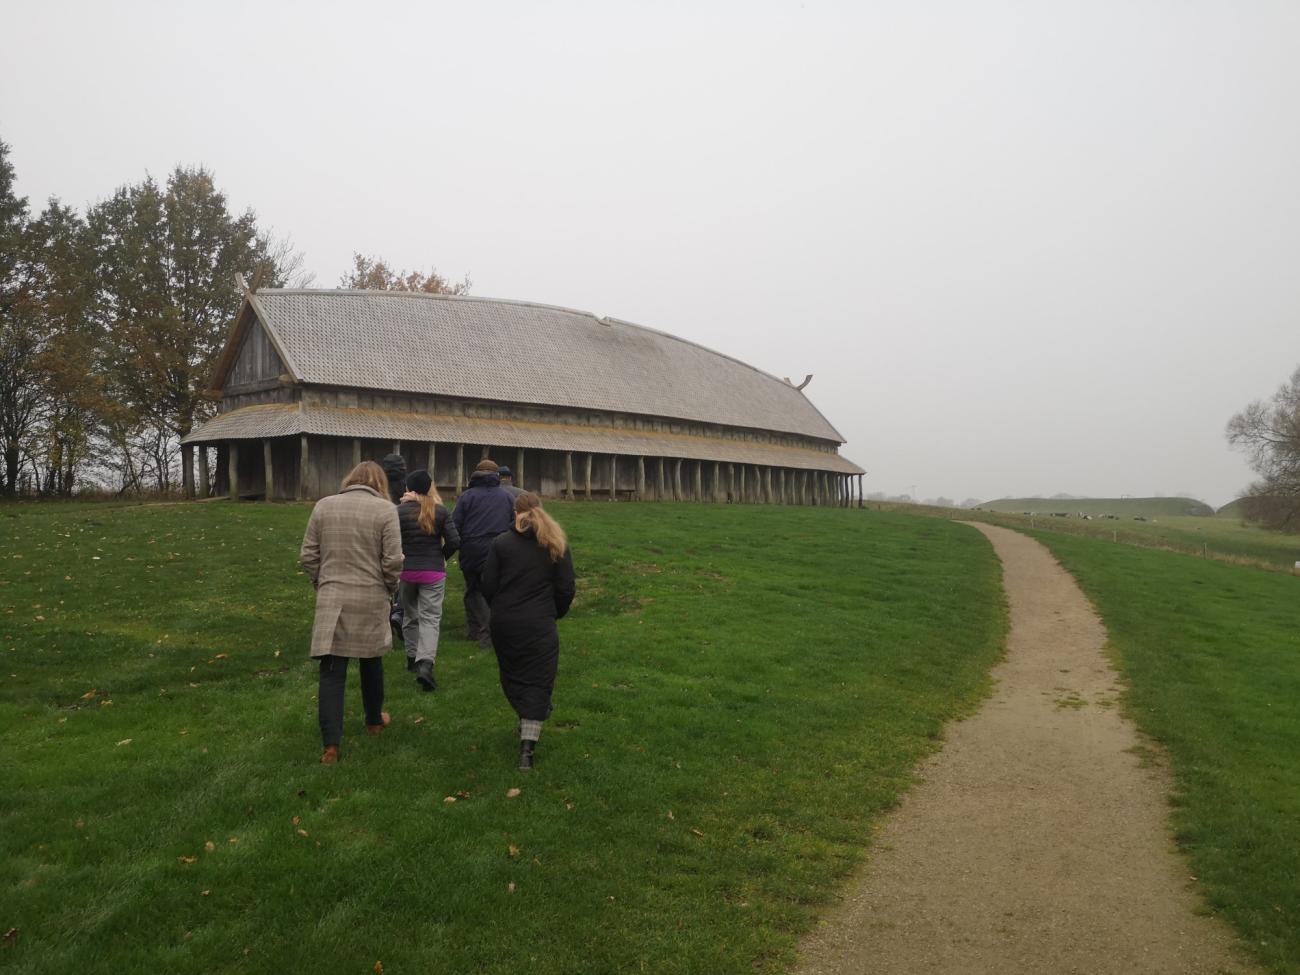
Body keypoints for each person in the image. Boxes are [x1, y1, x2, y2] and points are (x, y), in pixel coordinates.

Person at [299, 460, 404, 764]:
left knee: (332, 671)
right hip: (371, 596)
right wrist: (389, 588)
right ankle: (373, 721)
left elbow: (308, 556)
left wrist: (323, 583)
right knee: (372, 662)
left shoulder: (323, 506)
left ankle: (331, 745)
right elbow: (393, 560)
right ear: (380, 483)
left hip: (332, 597)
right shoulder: (386, 510)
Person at [481, 492, 576, 771]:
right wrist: (554, 612)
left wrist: (500, 608)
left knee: (512, 675)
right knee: (539, 680)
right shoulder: (556, 543)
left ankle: (529, 720)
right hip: (539, 623)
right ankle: (527, 749)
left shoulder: (501, 543)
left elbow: (487, 584)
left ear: (515, 513)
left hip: (505, 622)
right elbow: (566, 587)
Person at [396, 469, 459, 691]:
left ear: (408, 488)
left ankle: (411, 658)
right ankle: (426, 663)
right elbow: (454, 541)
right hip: (433, 571)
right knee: (430, 618)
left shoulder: (398, 511)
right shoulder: (440, 511)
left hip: (407, 571)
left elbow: (392, 541)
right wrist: (441, 557)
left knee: (410, 615)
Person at [451, 459, 515, 649]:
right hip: (499, 550)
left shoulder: (466, 497)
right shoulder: (507, 497)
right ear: (497, 476)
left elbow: (455, 525)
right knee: (495, 592)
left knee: (473, 591)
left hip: (472, 550)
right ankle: (489, 632)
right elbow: (514, 524)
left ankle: (478, 632)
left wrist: (456, 547)